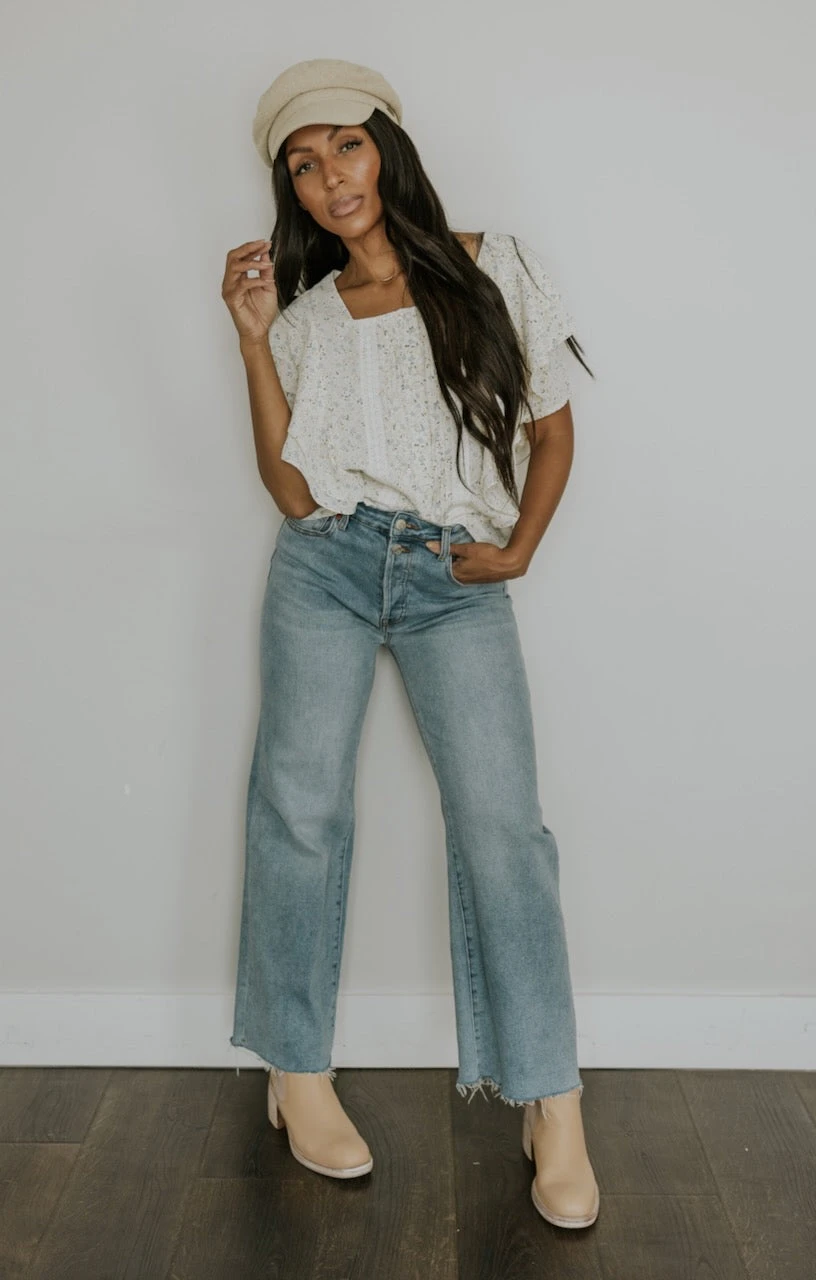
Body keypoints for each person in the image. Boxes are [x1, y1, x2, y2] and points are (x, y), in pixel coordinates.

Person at [221, 57, 599, 1229]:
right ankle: (295, 1070)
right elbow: (293, 492)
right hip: (325, 566)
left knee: (503, 828)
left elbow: (551, 428)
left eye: (345, 145)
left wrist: (519, 548)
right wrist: (252, 339)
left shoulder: (493, 266)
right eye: (303, 163)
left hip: (451, 577)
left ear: (386, 147)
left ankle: (549, 1099)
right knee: (298, 809)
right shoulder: (305, 317)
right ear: (291, 189)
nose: (330, 176)